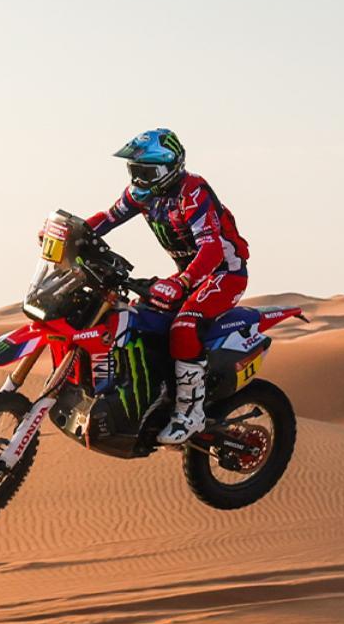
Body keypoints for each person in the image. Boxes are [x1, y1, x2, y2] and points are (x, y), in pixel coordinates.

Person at [86, 128, 250, 444]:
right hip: (188, 275)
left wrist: (182, 281)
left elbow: (212, 248)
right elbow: (109, 217)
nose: (138, 177)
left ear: (169, 167)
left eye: (145, 170)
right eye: (135, 170)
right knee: (137, 318)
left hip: (223, 274)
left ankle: (190, 413)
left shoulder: (193, 193)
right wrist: (75, 231)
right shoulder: (143, 193)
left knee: (184, 326)